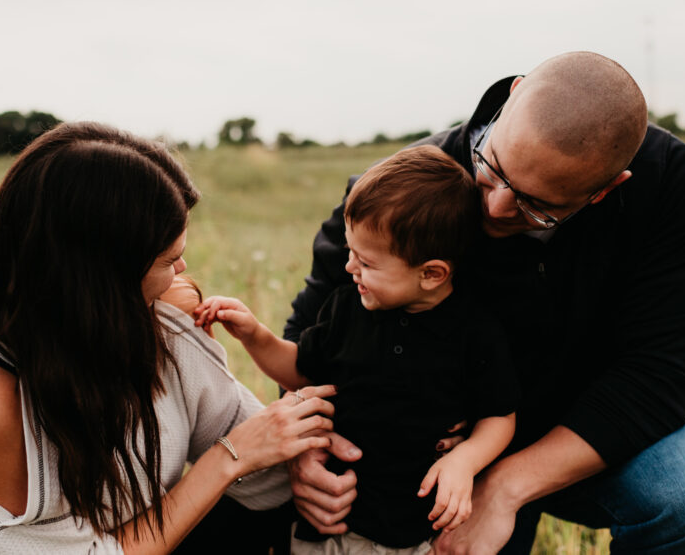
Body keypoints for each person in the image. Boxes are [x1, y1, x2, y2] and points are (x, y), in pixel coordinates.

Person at [284, 52, 685, 553]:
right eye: (492, 168)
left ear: (605, 190)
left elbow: (661, 373)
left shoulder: (660, 181)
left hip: (586, 436)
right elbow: (310, 330)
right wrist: (304, 447)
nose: (493, 208)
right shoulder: (402, 190)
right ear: (510, 100)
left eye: (538, 207)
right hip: (426, 458)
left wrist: (507, 486)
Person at [0, 122, 336, 554]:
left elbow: (247, 441)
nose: (182, 272)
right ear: (100, 279)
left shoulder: (159, 315)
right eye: (169, 259)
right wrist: (228, 458)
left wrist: (305, 468)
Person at [196, 145, 519, 554]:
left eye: (366, 262)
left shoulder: (474, 333)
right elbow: (299, 369)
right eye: (350, 252)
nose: (350, 268)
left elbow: (499, 417)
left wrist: (465, 459)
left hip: (412, 534)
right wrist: (254, 335)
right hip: (327, 523)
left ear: (431, 273)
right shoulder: (348, 307)